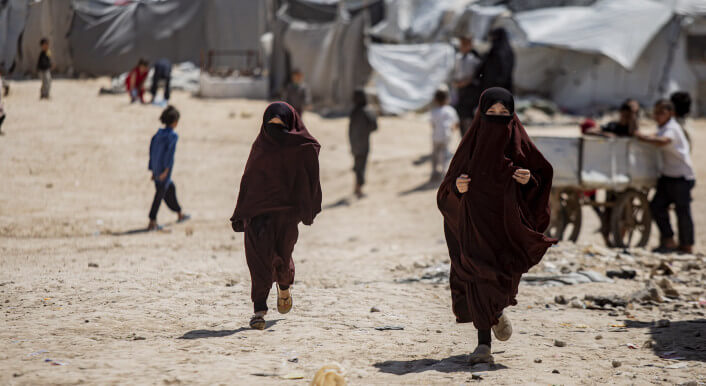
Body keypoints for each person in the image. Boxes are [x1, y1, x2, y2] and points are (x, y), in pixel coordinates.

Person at [437, 87, 556, 365]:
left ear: (513, 116)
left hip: (507, 226)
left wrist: (529, 181)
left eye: (504, 113)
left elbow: (541, 176)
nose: (498, 119)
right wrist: (457, 187)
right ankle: (483, 345)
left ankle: (496, 312)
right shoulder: (470, 146)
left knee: (502, 275)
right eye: (491, 113)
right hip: (475, 223)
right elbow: (445, 191)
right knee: (478, 274)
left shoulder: (518, 143)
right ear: (481, 115)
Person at [230, 102, 321, 330]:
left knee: (282, 255)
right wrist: (241, 210)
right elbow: (248, 179)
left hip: (287, 214)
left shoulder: (301, 147)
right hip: (259, 213)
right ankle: (259, 310)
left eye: (280, 127)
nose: (275, 131)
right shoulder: (261, 146)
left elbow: (309, 176)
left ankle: (284, 286)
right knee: (258, 260)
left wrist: (307, 206)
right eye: (271, 126)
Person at [637, 100, 695, 254]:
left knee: (682, 212)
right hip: (668, 176)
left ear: (670, 113)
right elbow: (656, 136)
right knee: (656, 207)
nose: (657, 116)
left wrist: (643, 138)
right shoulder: (663, 127)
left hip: (681, 177)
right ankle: (668, 240)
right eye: (655, 113)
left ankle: (686, 245)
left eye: (660, 113)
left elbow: (663, 141)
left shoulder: (672, 128)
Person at [148, 105, 190, 230]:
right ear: (175, 122)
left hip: (156, 168)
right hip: (163, 171)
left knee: (170, 188)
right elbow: (169, 155)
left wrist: (152, 169)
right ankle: (152, 220)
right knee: (159, 195)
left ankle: (180, 213)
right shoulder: (172, 136)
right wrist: (166, 171)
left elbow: (152, 151)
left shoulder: (158, 134)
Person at [349, 88, 378, 198]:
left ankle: (357, 187)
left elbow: (350, 130)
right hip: (364, 144)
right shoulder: (367, 111)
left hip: (354, 144)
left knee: (358, 166)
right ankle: (358, 189)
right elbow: (374, 127)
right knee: (361, 166)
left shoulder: (354, 112)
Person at [473, 28, 515, 101]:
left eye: (494, 37)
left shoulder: (497, 52)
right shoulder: (509, 52)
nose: (492, 39)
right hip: (504, 88)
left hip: (493, 87)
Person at [452, 35, 481, 136]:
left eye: (465, 44)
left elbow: (476, 75)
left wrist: (465, 82)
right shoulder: (457, 57)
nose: (462, 47)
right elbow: (454, 72)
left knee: (469, 116)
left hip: (470, 91)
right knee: (460, 116)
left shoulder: (474, 59)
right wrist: (456, 83)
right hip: (459, 90)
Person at [430, 87, 459, 181]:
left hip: (435, 137)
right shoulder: (450, 110)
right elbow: (455, 124)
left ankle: (434, 172)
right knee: (445, 155)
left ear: (435, 99)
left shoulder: (434, 111)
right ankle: (444, 173)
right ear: (447, 98)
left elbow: (432, 124)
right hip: (446, 136)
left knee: (435, 154)